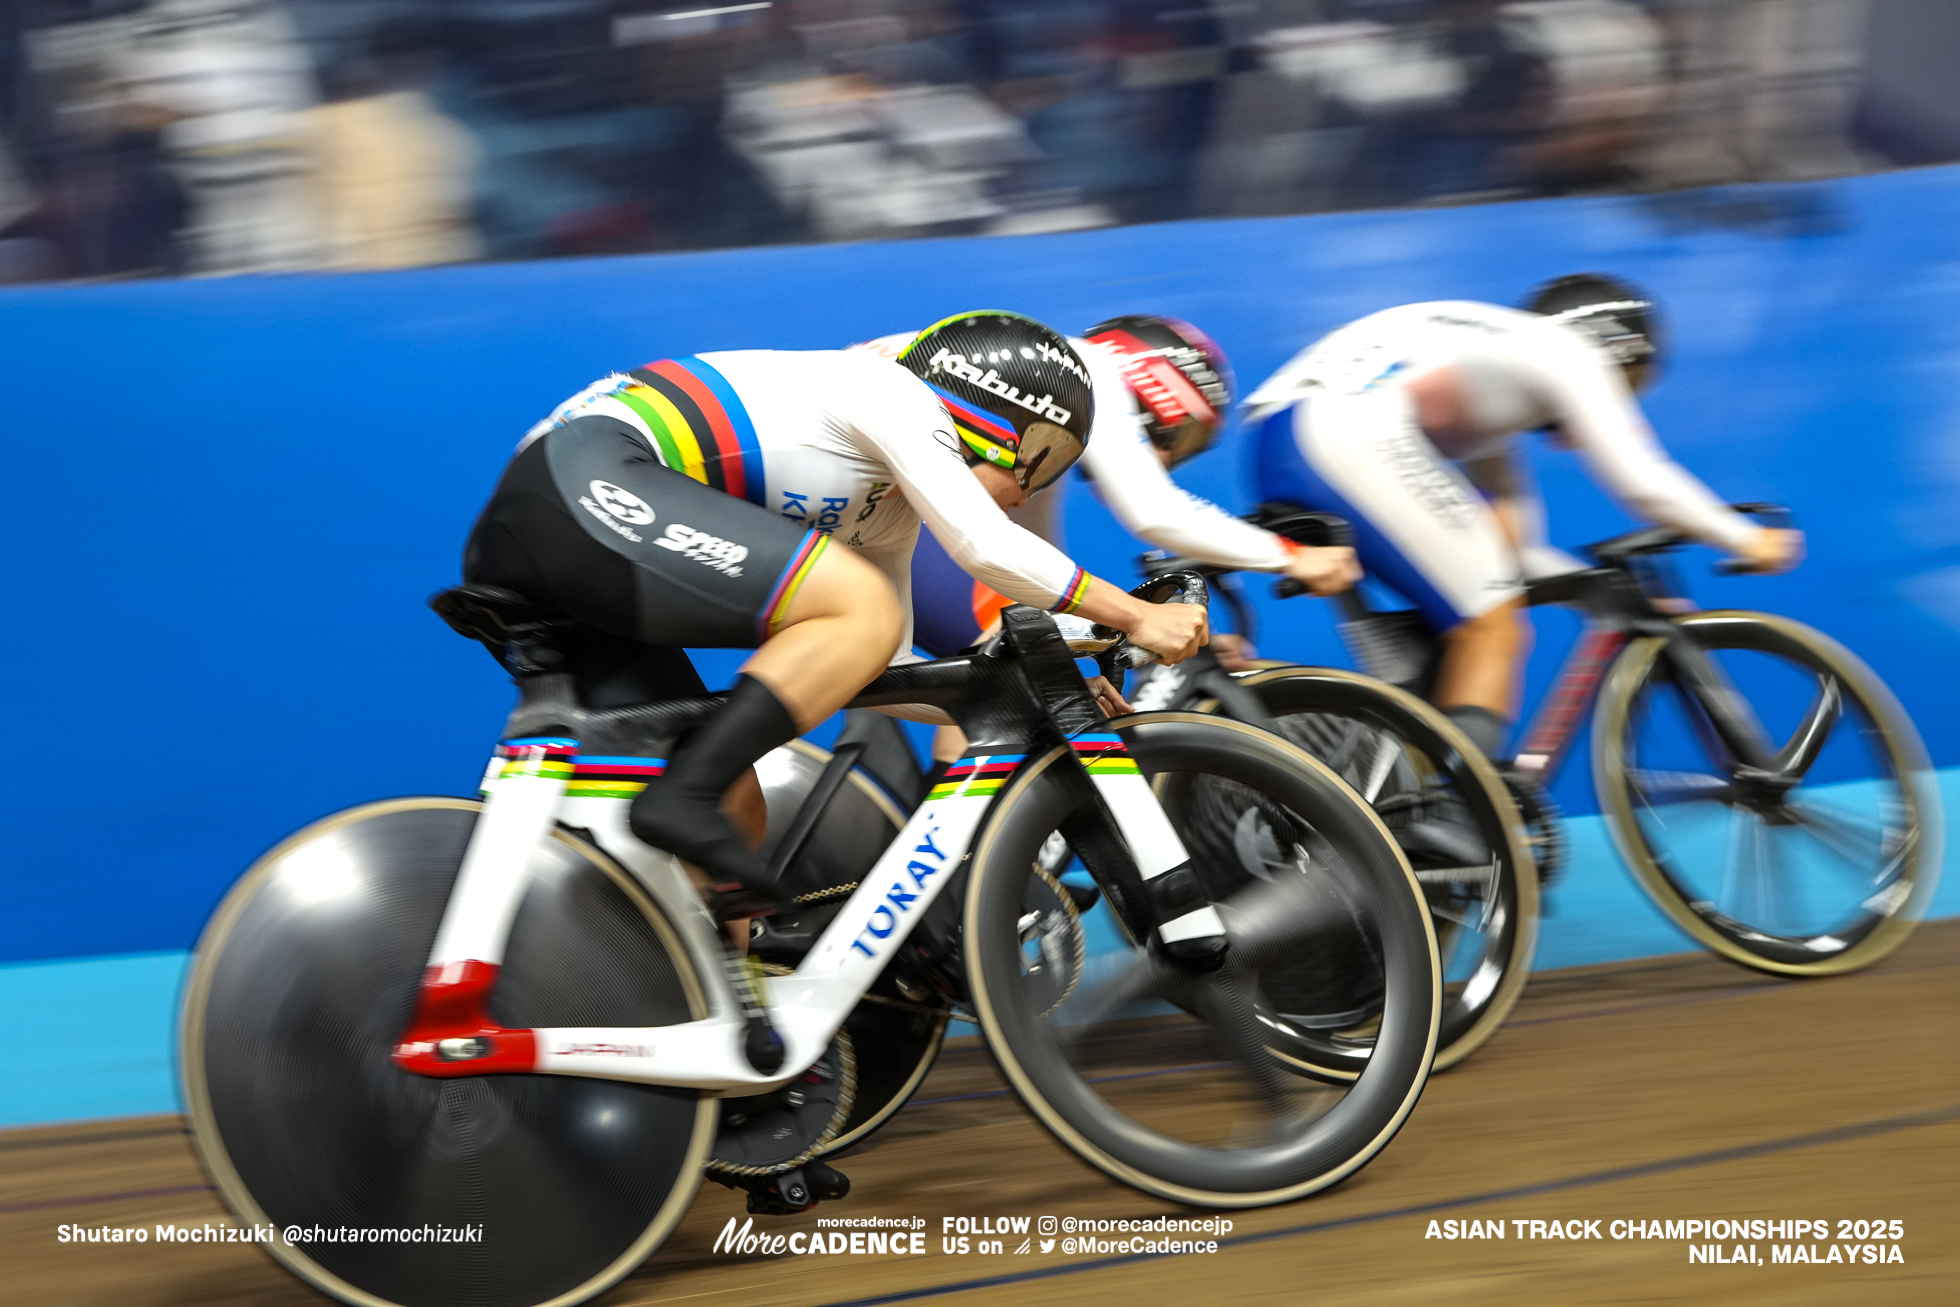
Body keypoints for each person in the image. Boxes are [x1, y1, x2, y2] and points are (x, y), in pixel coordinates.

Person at [460, 311, 1208, 918]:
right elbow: (983, 545)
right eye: (1040, 467)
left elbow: (879, 663)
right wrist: (1135, 618)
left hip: (574, 523)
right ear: (1009, 427)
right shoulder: (891, 396)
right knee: (858, 605)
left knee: (739, 803)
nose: (1027, 493)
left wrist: (1026, 689)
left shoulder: (882, 513)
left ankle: (728, 1014)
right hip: (577, 482)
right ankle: (680, 796)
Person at [1245, 273, 1804, 765]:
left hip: (1281, 440)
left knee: (1475, 621)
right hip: (1339, 432)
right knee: (1494, 629)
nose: (1617, 404)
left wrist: (1605, 599)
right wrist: (1745, 538)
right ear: (1617, 350)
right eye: (1629, 389)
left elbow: (1509, 549)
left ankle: (1398, 808)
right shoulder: (1568, 354)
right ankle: (1461, 820)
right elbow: (1641, 479)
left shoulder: (1493, 376)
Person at [857, 313, 1360, 770]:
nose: (1163, 460)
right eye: (1179, 439)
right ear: (1158, 392)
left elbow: (1035, 574)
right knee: (1014, 671)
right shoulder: (1094, 374)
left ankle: (966, 847)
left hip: (853, 495)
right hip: (871, 501)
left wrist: (1142, 634)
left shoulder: (1032, 419)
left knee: (1014, 663)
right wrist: (1292, 557)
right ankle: (967, 857)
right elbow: (1156, 511)